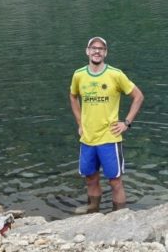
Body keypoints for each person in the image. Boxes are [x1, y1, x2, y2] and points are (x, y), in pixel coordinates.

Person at [69, 35, 144, 213]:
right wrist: (80, 122)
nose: (97, 51)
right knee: (90, 178)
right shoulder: (79, 75)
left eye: (101, 49)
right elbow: (73, 96)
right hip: (87, 138)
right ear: (87, 51)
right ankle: (92, 210)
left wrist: (126, 123)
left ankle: (120, 215)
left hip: (109, 137)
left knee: (115, 181)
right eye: (93, 48)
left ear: (105, 53)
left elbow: (138, 96)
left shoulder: (115, 74)